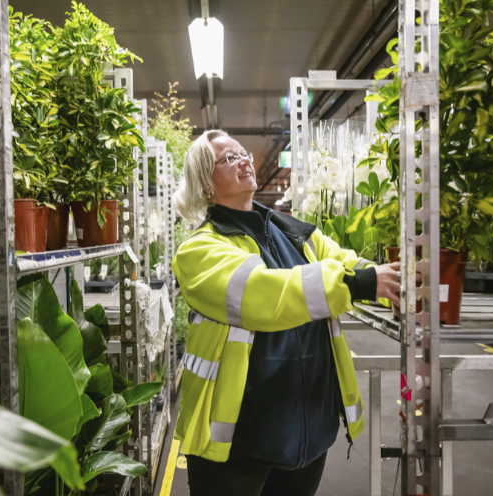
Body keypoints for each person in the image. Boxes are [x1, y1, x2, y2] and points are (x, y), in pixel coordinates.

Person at [171, 130, 405, 496]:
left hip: (307, 435)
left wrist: (392, 279)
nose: (244, 160)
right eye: (228, 159)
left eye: (242, 153)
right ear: (204, 182)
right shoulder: (200, 250)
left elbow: (344, 262)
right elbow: (263, 294)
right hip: (238, 442)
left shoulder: (292, 232)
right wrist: (359, 284)